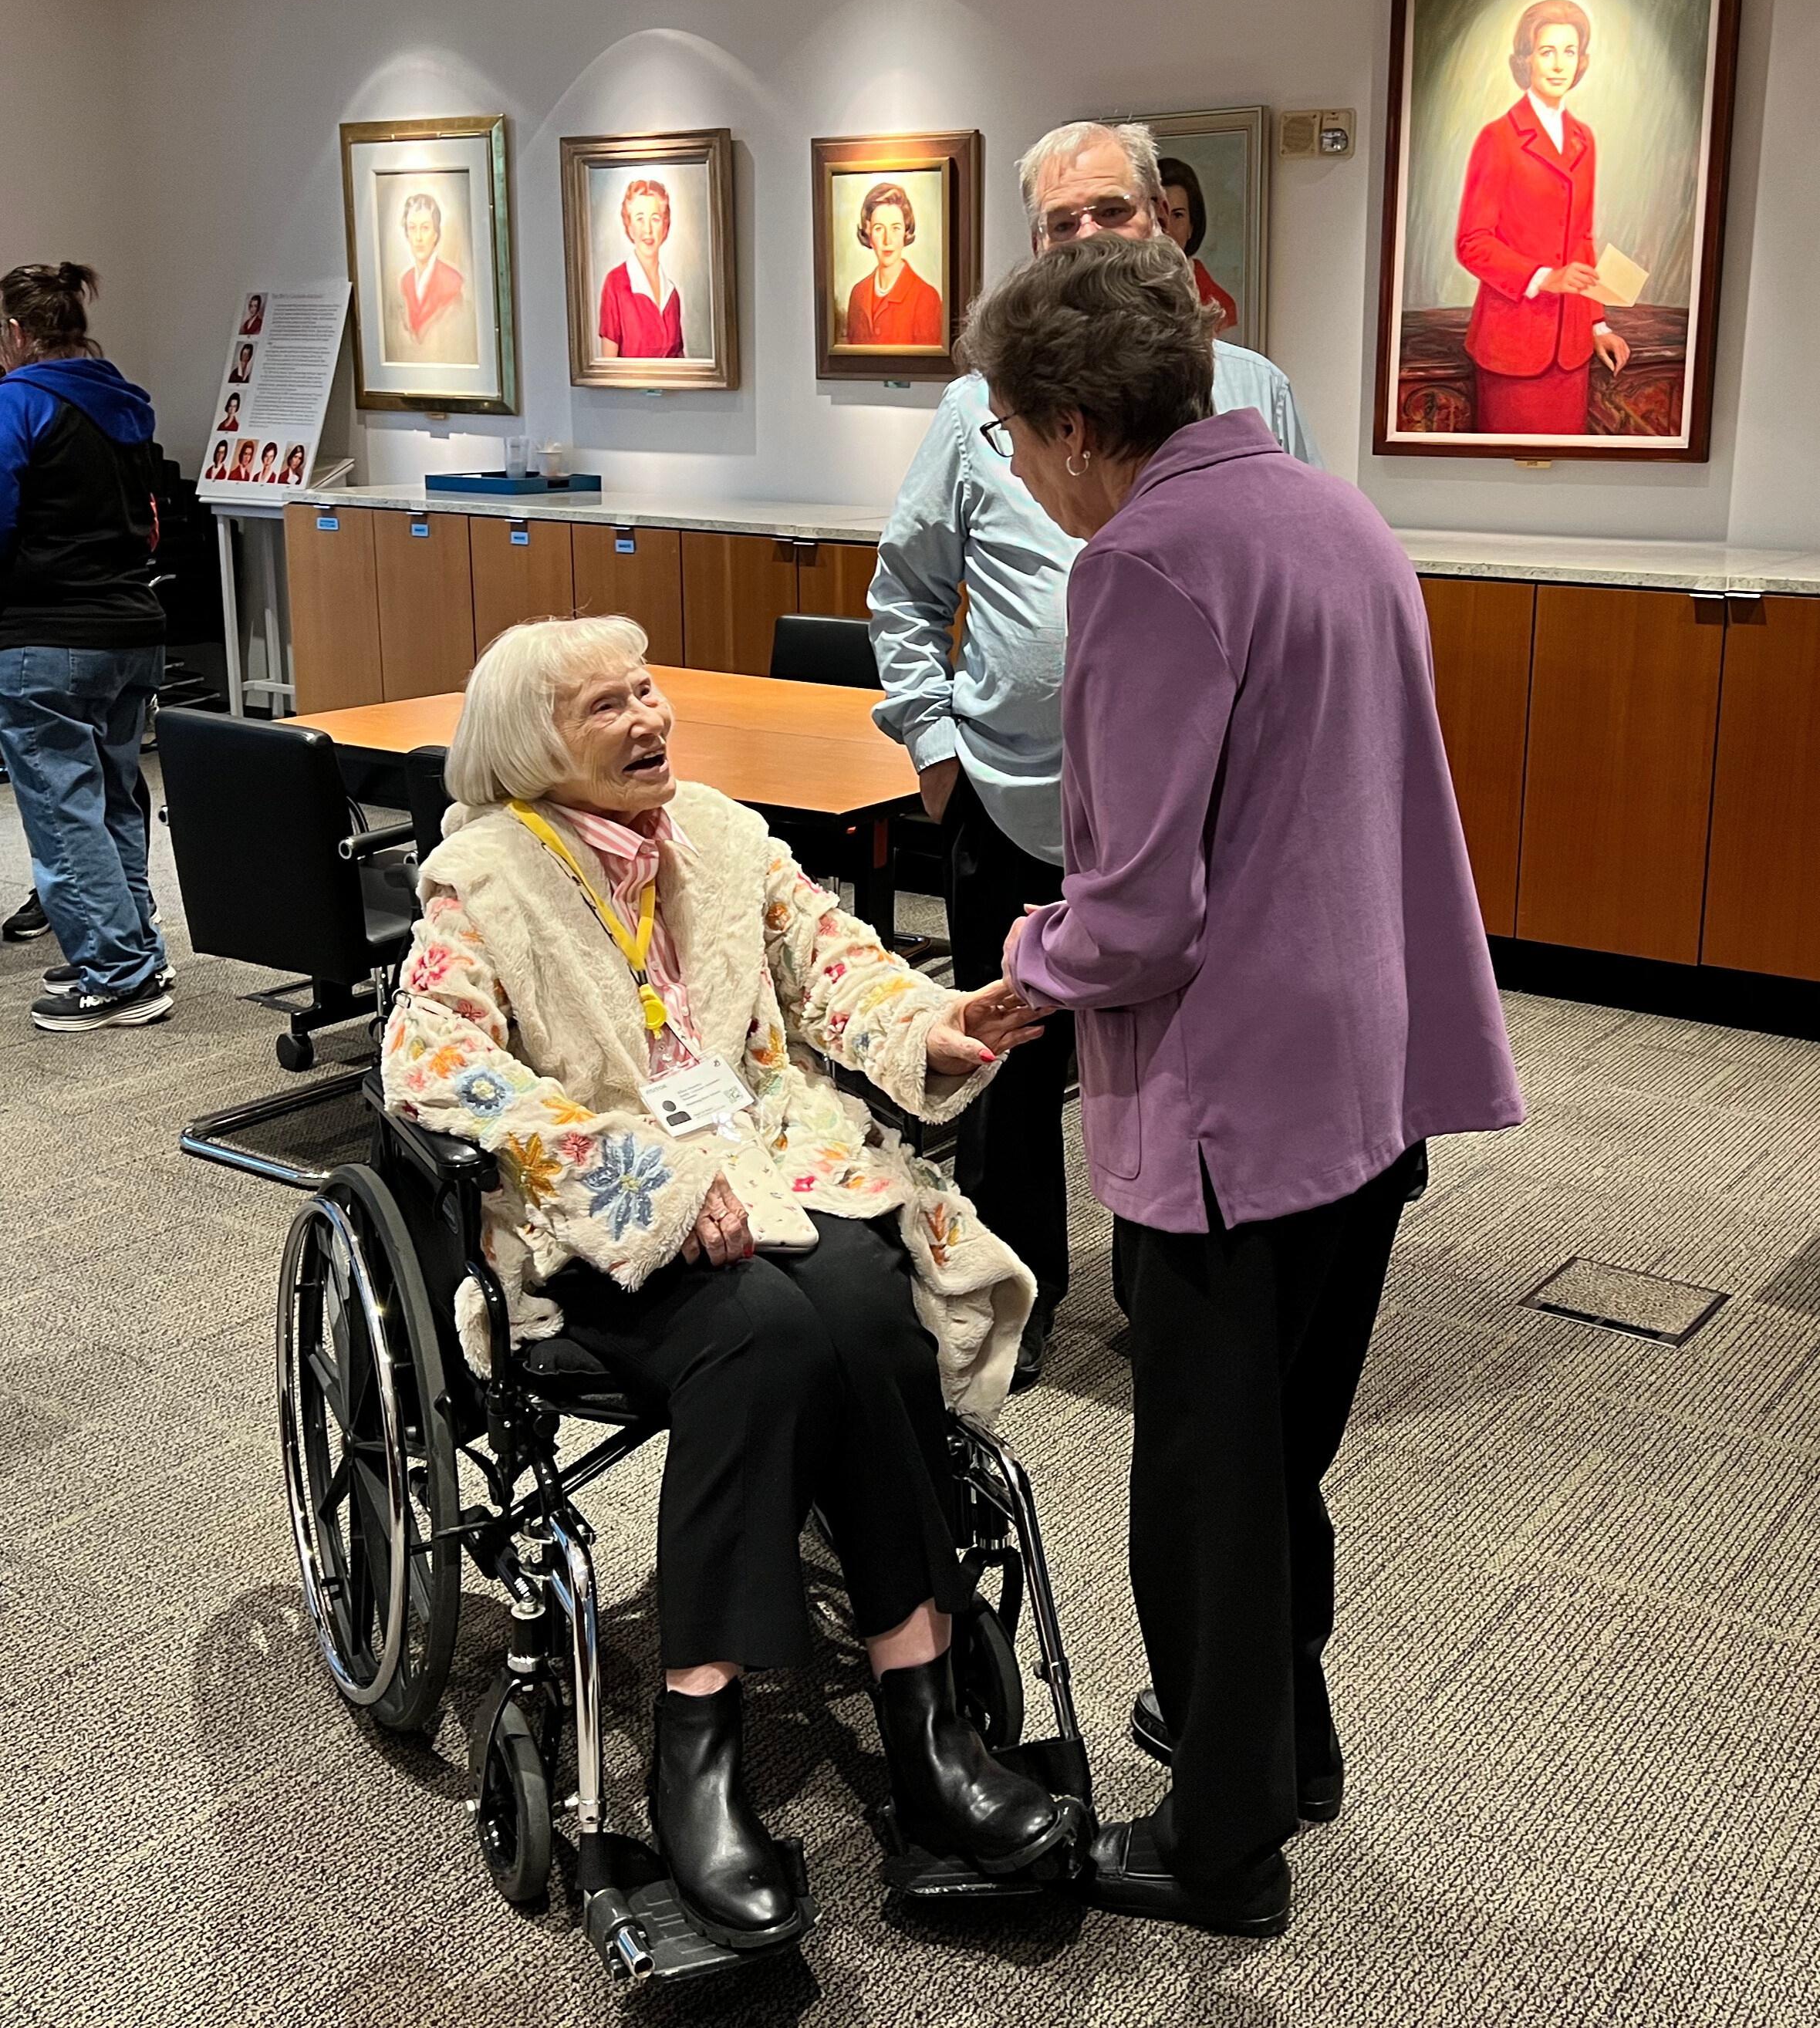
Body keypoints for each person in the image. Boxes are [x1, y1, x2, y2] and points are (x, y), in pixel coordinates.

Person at [957, 234, 1521, 1936]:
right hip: (1371, 1073)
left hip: (1230, 1108)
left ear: (1067, 427)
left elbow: (1134, 917)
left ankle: (1222, 1848)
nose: (1024, 477)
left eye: (1006, 439)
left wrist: (1022, 966)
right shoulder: (1333, 513)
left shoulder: (1142, 565)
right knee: (1280, 1457)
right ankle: (1291, 1748)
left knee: (1202, 1487)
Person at [383, 614, 1073, 1948]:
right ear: (534, 739)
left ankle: (921, 1712)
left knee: (875, 1314)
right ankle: (692, 1749)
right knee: (760, 1337)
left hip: (774, 1165)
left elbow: (831, 961)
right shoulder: (480, 880)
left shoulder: (721, 831)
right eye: (607, 705)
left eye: (648, 690)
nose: (649, 717)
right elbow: (432, 1069)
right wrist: (634, 1176)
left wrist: (931, 1018)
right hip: (606, 1222)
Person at [869, 118, 1321, 1389]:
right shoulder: (974, 406)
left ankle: (1158, 1294)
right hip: (1008, 804)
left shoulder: (1249, 391)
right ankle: (1016, 1291)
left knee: (1164, 1064)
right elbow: (903, 590)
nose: (1083, 241)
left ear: (1162, 224)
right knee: (1007, 1063)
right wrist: (932, 744)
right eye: (1056, 225)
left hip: (1187, 827)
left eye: (1107, 214)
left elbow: (1298, 582)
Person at [0, 262, 174, 1031]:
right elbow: (150, 516)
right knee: (112, 796)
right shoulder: (121, 401)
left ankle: (118, 972)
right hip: (130, 627)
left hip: (46, 638)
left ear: (16, 332)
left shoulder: (17, 403)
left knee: (61, 806)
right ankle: (137, 947)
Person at [1457, 0, 1630, 434]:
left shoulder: (1584, 139)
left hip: (1571, 352)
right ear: (1525, 59)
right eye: (1546, 51)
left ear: (1582, 60)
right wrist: (1542, 277)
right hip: (1512, 346)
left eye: (1569, 52)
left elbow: (1582, 243)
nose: (1558, 64)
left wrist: (1598, 324)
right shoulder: (1497, 138)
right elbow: (1472, 242)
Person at [845, 181, 944, 347]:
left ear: (906, 231)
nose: (887, 240)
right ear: (868, 232)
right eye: (879, 229)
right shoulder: (857, 294)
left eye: (895, 228)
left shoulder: (926, 297)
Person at [597, 177, 684, 359]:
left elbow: (679, 363)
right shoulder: (615, 284)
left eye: (655, 219)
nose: (648, 230)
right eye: (639, 219)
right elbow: (608, 369)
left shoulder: (672, 294)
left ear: (665, 226)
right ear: (629, 227)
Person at [1156, 156, 1238, 333]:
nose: (1166, 228)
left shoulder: (1219, 305)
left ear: (1192, 227)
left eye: (1177, 215)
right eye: (1157, 215)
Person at [398, 190, 467, 346]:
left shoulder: (453, 281)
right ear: (407, 234)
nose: (418, 238)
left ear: (436, 233)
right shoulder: (406, 281)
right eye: (412, 228)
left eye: (425, 228)